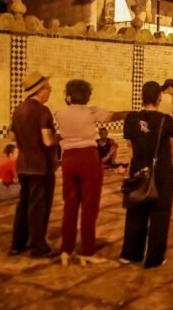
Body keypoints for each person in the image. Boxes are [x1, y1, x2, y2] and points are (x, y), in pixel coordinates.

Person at [55, 79, 128, 266]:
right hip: (88, 158)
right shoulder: (91, 111)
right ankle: (87, 251)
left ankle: (66, 249)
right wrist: (133, 112)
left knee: (69, 205)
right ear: (87, 96)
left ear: (68, 96)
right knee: (89, 207)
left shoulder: (60, 114)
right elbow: (115, 115)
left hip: (68, 159)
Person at [120, 81, 173, 269]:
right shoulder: (166, 120)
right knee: (160, 213)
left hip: (138, 168)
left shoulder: (131, 118)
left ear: (142, 97)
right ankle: (154, 257)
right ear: (159, 98)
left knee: (135, 210)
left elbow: (130, 146)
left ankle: (130, 253)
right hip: (161, 171)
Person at [9, 71, 59, 258]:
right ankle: (38, 247)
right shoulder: (42, 111)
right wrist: (59, 137)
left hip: (23, 165)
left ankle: (17, 244)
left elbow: (12, 136)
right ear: (40, 90)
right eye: (48, 88)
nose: (50, 91)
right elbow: (47, 140)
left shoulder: (18, 109)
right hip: (41, 167)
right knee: (39, 207)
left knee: (24, 204)